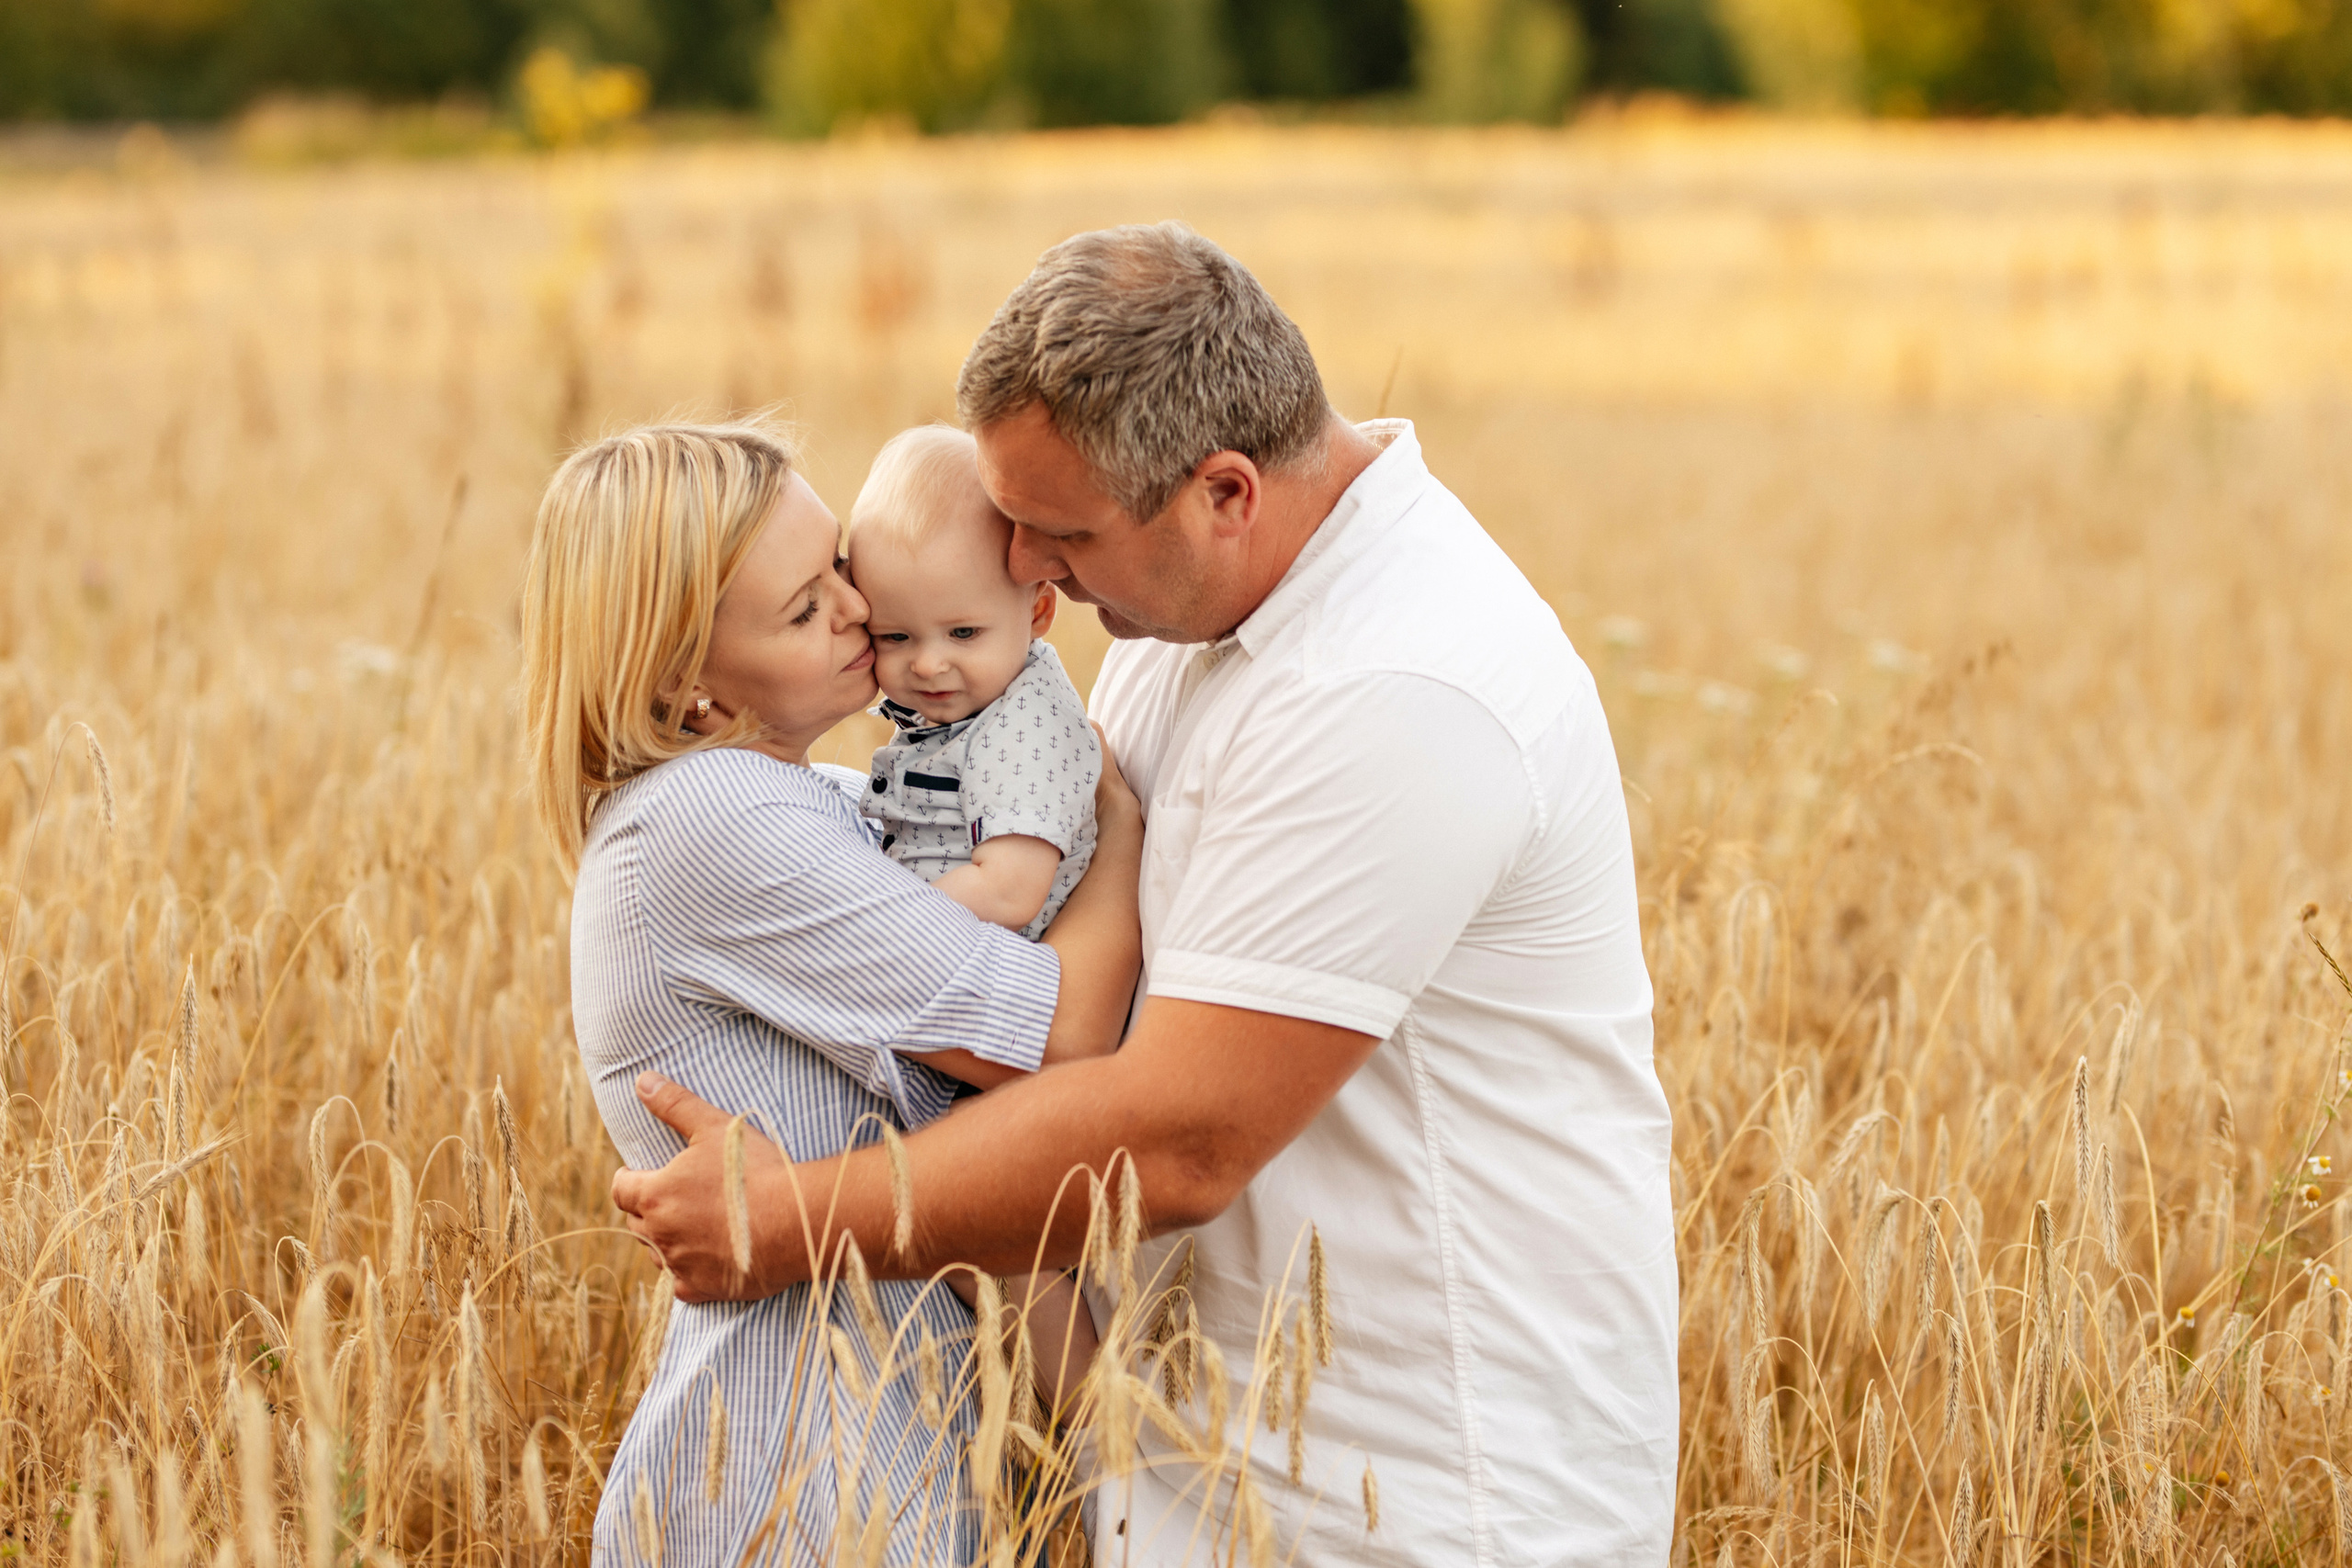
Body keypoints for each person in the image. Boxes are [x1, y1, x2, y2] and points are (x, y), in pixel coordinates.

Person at [612, 225, 1679, 1566]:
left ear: (1225, 491)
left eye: (1061, 537)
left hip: (1414, 1496)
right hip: (1202, 1475)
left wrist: (791, 1221)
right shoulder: (1183, 620)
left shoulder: (1400, 688)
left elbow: (1179, 1136)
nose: (1035, 578)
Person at [518, 420, 1142, 1566]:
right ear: (685, 685)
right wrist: (1111, 829)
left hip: (871, 1469)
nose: (862, 615)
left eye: (841, 571)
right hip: (794, 1487)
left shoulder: (833, 804)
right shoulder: (710, 819)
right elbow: (1055, 1040)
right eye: (806, 610)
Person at [850, 423, 1101, 940]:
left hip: (989, 978)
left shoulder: (1026, 728)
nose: (927, 665)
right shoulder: (970, 707)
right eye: (895, 636)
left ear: (1038, 611)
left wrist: (872, 920)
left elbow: (1010, 891)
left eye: (963, 632)